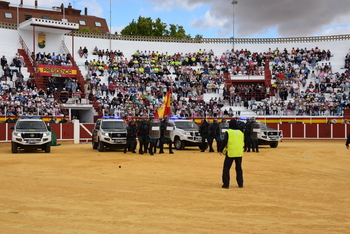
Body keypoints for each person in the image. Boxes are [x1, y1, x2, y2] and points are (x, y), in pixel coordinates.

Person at [220, 119, 244, 189]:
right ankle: (240, 183)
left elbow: (224, 141)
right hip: (239, 152)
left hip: (230, 152)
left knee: (226, 168)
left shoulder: (228, 132)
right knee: (239, 168)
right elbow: (243, 142)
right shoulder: (240, 132)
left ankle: (226, 184)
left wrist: (221, 150)